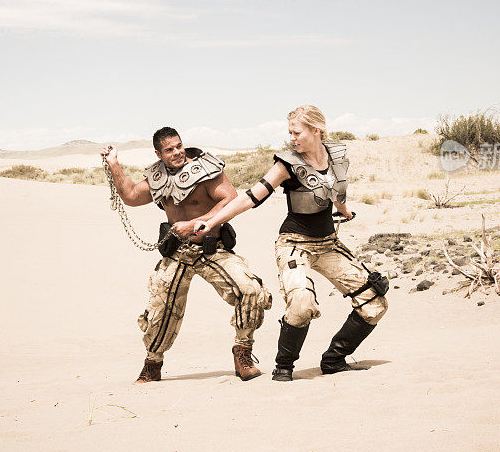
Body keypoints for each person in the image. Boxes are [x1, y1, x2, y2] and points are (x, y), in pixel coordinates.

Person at [194, 105, 388, 381]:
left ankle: (334, 360)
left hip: (329, 244)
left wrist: (342, 210)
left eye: (297, 132)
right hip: (294, 244)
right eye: (290, 133)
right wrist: (213, 221)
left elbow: (333, 187)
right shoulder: (286, 164)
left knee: (375, 303)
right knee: (302, 302)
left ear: (315, 130)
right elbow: (250, 197)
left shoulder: (337, 156)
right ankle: (284, 366)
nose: (292, 138)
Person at [101, 127, 271, 383]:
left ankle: (243, 353)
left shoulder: (206, 169)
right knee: (160, 310)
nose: (177, 152)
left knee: (250, 290)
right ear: (158, 153)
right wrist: (114, 163)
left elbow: (231, 199)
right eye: (169, 150)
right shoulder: (157, 176)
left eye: (179, 146)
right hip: (177, 252)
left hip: (212, 248)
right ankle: (152, 364)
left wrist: (197, 223)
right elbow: (131, 196)